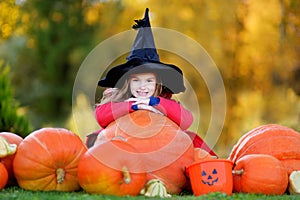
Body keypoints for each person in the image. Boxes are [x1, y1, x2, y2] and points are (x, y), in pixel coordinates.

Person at [87, 8, 217, 157]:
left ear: (157, 83)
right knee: (99, 141)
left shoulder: (163, 102)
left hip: (160, 151)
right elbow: (101, 116)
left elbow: (186, 120)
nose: (142, 86)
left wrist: (152, 102)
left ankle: (214, 165)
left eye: (149, 81)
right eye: (136, 80)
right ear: (128, 82)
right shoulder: (120, 100)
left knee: (191, 137)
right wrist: (133, 105)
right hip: (126, 151)